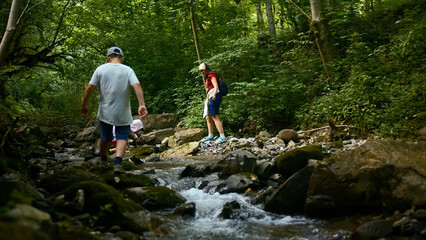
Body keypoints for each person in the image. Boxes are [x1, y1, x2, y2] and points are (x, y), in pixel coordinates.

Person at [81, 47, 147, 173]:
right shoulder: (128, 70)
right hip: (123, 112)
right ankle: (117, 163)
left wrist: (84, 104)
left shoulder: (100, 69)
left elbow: (90, 87)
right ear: (121, 58)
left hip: (106, 111)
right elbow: (137, 85)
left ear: (108, 57)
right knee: (122, 136)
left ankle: (104, 160)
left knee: (105, 136)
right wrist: (141, 104)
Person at [199, 63, 226, 143]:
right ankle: (210, 136)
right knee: (208, 116)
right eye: (201, 71)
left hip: (215, 96)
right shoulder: (208, 77)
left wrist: (214, 95)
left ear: (206, 69)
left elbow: (215, 85)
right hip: (210, 96)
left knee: (214, 116)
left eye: (203, 70)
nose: (202, 72)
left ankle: (222, 136)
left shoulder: (211, 75)